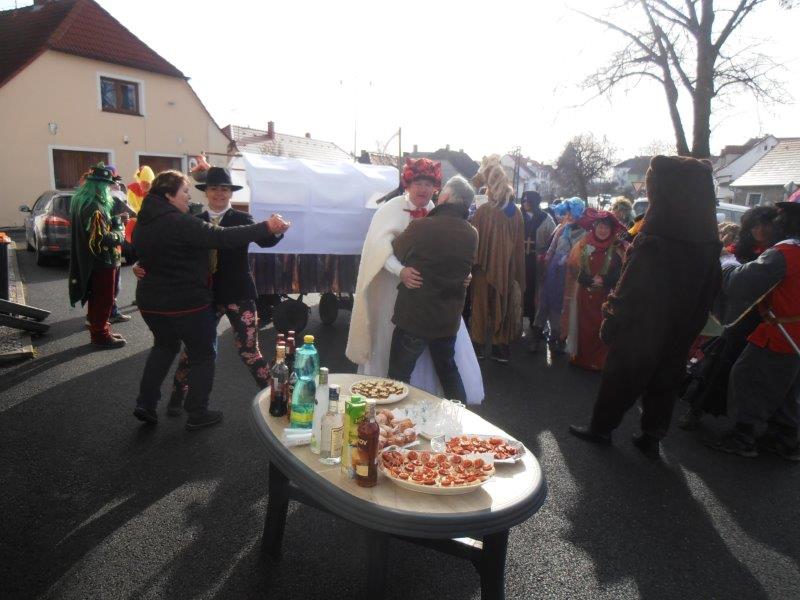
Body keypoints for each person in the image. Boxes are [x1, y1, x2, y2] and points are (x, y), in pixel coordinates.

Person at [568, 156, 722, 457]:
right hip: (681, 326)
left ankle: (601, 428)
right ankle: (651, 435)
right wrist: (692, 325)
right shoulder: (707, 243)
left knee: (621, 376)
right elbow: (711, 289)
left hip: (642, 326)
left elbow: (630, 285)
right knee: (666, 379)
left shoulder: (655, 237)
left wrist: (612, 317)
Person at [132, 170, 289, 430]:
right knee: (192, 354)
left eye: (224, 189)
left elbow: (265, 241)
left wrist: (275, 231)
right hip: (205, 296)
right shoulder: (191, 218)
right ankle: (177, 399)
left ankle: (277, 398)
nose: (219, 193)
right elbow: (165, 248)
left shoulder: (241, 218)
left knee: (249, 351)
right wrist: (141, 264)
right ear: (205, 192)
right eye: (214, 188)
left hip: (237, 292)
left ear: (230, 193)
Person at [346, 158, 484, 404]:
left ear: (438, 190)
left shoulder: (434, 211)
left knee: (412, 363)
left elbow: (450, 254)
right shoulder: (389, 209)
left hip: (421, 304)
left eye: (428, 184)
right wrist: (400, 271)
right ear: (408, 184)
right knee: (405, 352)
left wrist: (465, 274)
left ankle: (418, 404)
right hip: (391, 292)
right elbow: (379, 249)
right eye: (418, 182)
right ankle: (395, 407)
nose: (423, 189)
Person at [706, 197, 800, 461]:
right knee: (787, 388)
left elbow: (739, 283)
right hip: (793, 333)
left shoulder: (785, 252)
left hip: (780, 334)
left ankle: (743, 437)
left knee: (748, 378)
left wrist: (727, 262)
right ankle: (784, 438)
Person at [679, 206, 778, 430]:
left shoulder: (773, 254)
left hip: (760, 320)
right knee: (715, 367)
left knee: (746, 374)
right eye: (756, 225)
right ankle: (695, 411)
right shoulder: (736, 251)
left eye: (766, 225)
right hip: (734, 318)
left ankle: (741, 425)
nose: (761, 230)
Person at [386, 176, 479, 401]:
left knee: (398, 377)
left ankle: (396, 420)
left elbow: (396, 252)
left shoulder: (421, 227)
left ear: (445, 197)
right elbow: (464, 267)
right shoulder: (472, 233)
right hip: (448, 319)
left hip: (415, 316)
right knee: (448, 371)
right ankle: (461, 418)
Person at [469, 155, 526, 364]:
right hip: (506, 269)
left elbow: (473, 241)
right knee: (502, 302)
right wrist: (518, 274)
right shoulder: (515, 212)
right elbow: (519, 247)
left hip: (482, 269)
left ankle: (477, 344)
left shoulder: (483, 211)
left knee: (480, 304)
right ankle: (499, 345)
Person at [68, 163, 128, 349]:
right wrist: (120, 233)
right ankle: (100, 335)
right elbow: (101, 238)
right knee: (104, 298)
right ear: (100, 185)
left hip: (93, 259)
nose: (110, 188)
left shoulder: (83, 201)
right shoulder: (94, 206)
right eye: (108, 185)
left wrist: (115, 221)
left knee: (97, 297)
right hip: (102, 260)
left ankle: (100, 329)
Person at [561, 209, 626, 370]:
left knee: (601, 327)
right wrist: (589, 280)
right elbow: (574, 268)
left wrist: (604, 280)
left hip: (607, 296)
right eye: (600, 227)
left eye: (606, 227)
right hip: (584, 293)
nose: (603, 230)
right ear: (595, 227)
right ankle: (581, 358)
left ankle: (599, 361)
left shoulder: (618, 247)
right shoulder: (583, 244)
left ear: (611, 229)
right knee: (583, 326)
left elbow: (622, 272)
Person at [531, 197, 586, 353]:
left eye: (572, 213)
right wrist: (545, 264)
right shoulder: (561, 228)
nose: (568, 217)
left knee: (562, 305)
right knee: (545, 301)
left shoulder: (584, 233)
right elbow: (552, 248)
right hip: (553, 270)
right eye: (566, 213)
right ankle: (537, 335)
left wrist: (570, 259)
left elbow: (582, 255)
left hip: (569, 274)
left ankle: (558, 336)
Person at [520, 191, 556, 340]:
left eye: (528, 201)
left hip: (537, 261)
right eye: (523, 200)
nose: (525, 203)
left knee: (536, 292)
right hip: (521, 260)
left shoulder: (546, 219)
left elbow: (552, 240)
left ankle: (536, 324)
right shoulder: (517, 216)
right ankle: (517, 320)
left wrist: (545, 257)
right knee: (521, 289)